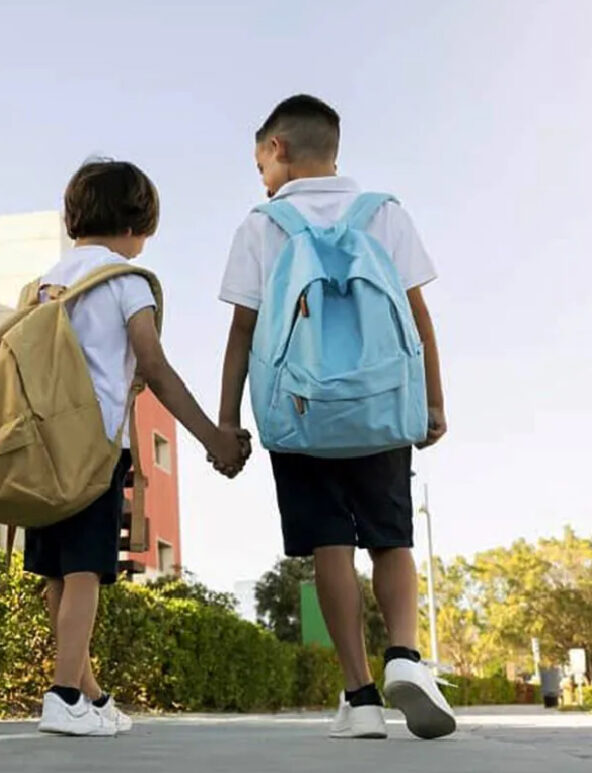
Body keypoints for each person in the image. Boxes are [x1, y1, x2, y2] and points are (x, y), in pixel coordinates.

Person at [216, 95, 455, 740]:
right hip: (379, 404)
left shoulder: (262, 226)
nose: (260, 176)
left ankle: (361, 697)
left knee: (330, 543)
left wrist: (227, 422)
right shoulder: (384, 213)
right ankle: (405, 654)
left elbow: (241, 332)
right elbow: (417, 317)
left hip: (298, 412)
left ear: (279, 149)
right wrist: (432, 400)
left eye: (259, 160)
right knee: (391, 537)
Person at [30, 158, 251, 737]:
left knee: (57, 575)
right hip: (94, 447)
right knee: (85, 573)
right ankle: (62, 694)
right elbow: (152, 367)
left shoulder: (45, 283)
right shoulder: (125, 282)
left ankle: (92, 698)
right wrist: (213, 437)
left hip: (41, 447)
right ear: (140, 223)